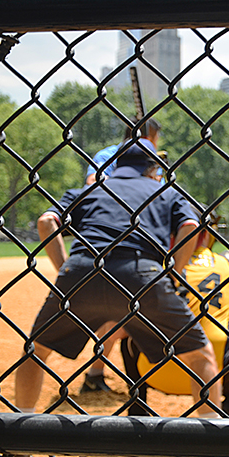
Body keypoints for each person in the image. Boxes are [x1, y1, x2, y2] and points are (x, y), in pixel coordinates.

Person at [8, 139, 221, 457]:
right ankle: (214, 449)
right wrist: (174, 273)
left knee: (36, 352)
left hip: (82, 271)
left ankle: (17, 446)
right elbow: (191, 227)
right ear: (152, 168)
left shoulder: (89, 190)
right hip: (143, 276)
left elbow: (46, 222)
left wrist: (66, 269)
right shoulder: (164, 191)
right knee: (200, 355)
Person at [120, 218, 229, 420]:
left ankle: (139, 406)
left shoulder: (154, 266)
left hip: (156, 373)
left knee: (130, 332)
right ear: (207, 234)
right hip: (216, 374)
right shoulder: (227, 266)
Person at [80, 118, 162, 393]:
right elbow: (92, 184)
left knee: (125, 314)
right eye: (155, 139)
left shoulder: (154, 161)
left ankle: (99, 374)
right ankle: (98, 374)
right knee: (115, 314)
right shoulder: (107, 156)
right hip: (109, 239)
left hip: (141, 241)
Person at [85, 118, 161, 185]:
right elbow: (92, 180)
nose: (156, 146)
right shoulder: (107, 155)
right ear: (143, 139)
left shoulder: (154, 161)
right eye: (155, 141)